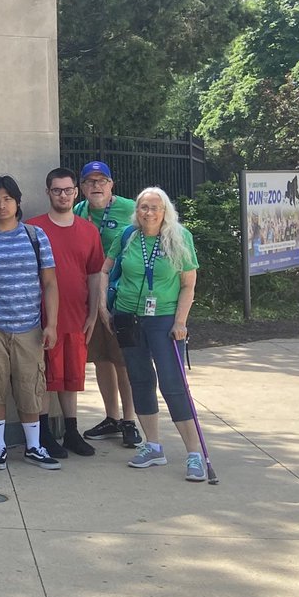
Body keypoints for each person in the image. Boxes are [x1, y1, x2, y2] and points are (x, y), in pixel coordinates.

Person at [100, 187, 205, 480]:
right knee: (140, 381)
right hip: (128, 318)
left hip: (164, 320)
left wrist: (180, 322)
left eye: (154, 208)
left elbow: (188, 284)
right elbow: (105, 270)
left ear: (165, 211)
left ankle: (194, 453)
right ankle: (153, 446)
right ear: (137, 210)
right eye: (143, 207)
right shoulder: (127, 235)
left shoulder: (180, 237)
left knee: (173, 384)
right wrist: (102, 308)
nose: (148, 212)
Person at [0, 175, 61, 471]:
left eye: (7, 199)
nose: (1, 205)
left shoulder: (35, 236)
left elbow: (50, 283)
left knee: (30, 387)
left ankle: (33, 446)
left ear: (18, 202)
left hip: (29, 325)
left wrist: (51, 324)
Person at [27, 168, 103, 459]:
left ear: (76, 192)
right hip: (41, 318)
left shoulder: (88, 231)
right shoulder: (33, 229)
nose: (63, 195)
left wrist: (93, 314)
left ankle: (71, 431)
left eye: (68, 190)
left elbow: (95, 274)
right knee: (44, 376)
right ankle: (44, 433)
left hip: (76, 316)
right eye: (57, 190)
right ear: (48, 192)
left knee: (71, 376)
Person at [74, 162, 142, 448]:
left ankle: (129, 420)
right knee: (101, 358)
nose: (96, 186)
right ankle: (111, 417)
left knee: (122, 361)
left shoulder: (131, 208)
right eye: (90, 181)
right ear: (82, 187)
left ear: (112, 184)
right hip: (90, 298)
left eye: (102, 180)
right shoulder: (79, 211)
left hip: (120, 298)